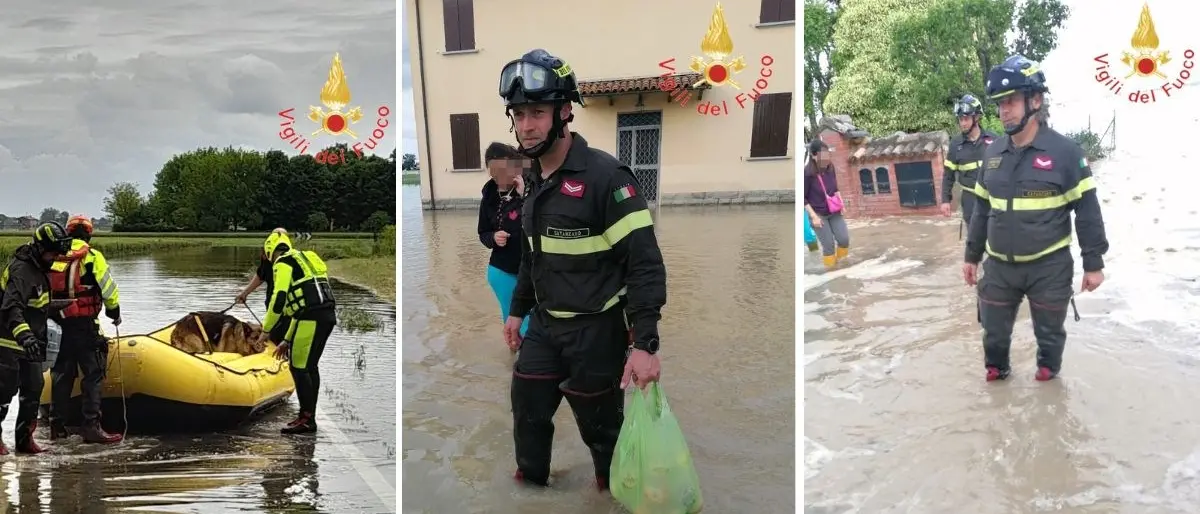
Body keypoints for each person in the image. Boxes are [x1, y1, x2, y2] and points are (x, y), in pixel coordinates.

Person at [499, 48, 667, 491]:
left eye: (537, 111)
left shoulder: (608, 178)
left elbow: (645, 264)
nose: (526, 125)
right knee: (527, 414)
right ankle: (530, 492)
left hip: (598, 332)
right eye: (518, 114)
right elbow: (533, 256)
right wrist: (517, 311)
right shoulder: (533, 179)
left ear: (564, 112)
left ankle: (607, 494)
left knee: (603, 436)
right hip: (545, 326)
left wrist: (645, 343)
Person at [963, 55, 1109, 382]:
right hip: (999, 267)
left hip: (1049, 267)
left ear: (1036, 100)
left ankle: (1048, 394)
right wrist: (971, 256)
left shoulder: (1066, 153)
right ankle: (998, 393)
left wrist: (1093, 263)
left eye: (1012, 100)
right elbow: (981, 210)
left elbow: (1087, 210)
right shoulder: (992, 154)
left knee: (1050, 343)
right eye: (1000, 103)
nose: (1004, 110)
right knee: (994, 342)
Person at [47, 215, 123, 444]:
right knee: (93, 374)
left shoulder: (53, 256)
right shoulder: (92, 257)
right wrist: (114, 312)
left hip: (57, 325)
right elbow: (108, 289)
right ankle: (91, 426)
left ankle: (56, 427)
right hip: (84, 325)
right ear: (89, 234)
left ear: (67, 233)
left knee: (61, 375)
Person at [0, 222, 73, 454]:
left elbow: (37, 305)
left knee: (34, 388)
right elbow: (12, 307)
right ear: (40, 248)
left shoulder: (40, 268)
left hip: (31, 342)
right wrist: (26, 337)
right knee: (4, 390)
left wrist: (61, 309)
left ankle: (24, 440)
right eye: (53, 252)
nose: (56, 258)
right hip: (8, 341)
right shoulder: (22, 271)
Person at [261, 231, 337, 434]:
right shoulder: (308, 259)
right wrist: (286, 339)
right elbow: (299, 306)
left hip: (310, 319)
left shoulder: (283, 263)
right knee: (310, 366)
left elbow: (280, 298)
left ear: (271, 251)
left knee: (299, 368)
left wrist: (266, 329)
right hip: (326, 316)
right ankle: (309, 416)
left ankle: (306, 419)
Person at [477, 142, 531, 341]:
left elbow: (541, 224)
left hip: (534, 271)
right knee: (517, 324)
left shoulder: (533, 187)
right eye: (495, 173)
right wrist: (493, 237)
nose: (501, 177)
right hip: (502, 271)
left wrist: (524, 196)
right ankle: (515, 364)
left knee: (536, 322)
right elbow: (482, 232)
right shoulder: (489, 196)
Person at [940, 94, 998, 228]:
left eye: (966, 119)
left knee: (997, 240)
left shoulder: (994, 140)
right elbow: (948, 175)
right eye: (960, 119)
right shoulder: (956, 144)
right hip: (970, 201)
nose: (962, 123)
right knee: (975, 241)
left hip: (993, 199)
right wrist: (945, 201)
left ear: (976, 117)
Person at [803, 139, 850, 269]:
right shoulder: (807, 174)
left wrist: (841, 204)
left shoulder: (830, 168)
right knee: (828, 246)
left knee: (844, 239)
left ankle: (843, 268)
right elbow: (803, 197)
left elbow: (835, 188)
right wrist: (813, 217)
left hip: (834, 210)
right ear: (814, 155)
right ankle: (832, 273)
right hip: (818, 215)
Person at [236, 227, 289, 310]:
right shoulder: (267, 257)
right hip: (275, 303)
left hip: (287, 304)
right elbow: (261, 275)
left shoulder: (293, 258)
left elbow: (260, 276)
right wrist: (244, 293)